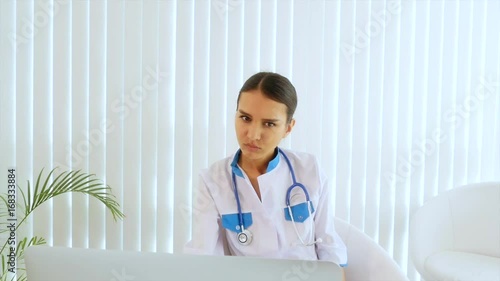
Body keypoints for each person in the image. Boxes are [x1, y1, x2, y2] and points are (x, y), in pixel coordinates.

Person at [184, 72, 348, 271]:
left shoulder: (309, 169)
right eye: (245, 118)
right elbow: (203, 255)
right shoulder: (213, 180)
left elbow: (329, 247)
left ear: (288, 128)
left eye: (269, 124)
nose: (253, 135)